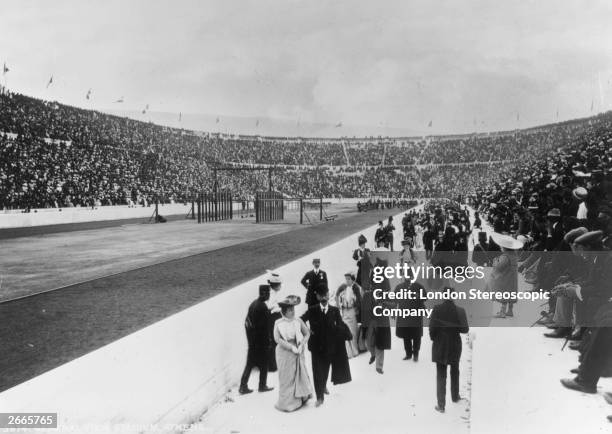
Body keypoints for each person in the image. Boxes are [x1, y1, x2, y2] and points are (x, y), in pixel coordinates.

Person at [301, 283, 344, 407]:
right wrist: (307, 331)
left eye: (325, 295)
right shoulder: (312, 310)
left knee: (325, 369)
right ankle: (320, 397)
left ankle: (323, 384)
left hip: (330, 345)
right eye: (321, 296)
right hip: (315, 346)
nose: (324, 298)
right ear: (318, 297)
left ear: (328, 294)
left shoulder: (335, 311)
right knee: (317, 371)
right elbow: (300, 320)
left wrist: (339, 332)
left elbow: (340, 325)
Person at [429, 287, 469, 413]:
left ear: (443, 296)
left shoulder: (436, 309)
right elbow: (465, 330)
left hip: (440, 344)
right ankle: (455, 396)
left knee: (441, 375)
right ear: (453, 296)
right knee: (455, 370)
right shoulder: (460, 311)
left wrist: (435, 339)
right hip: (455, 345)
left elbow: (432, 329)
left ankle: (441, 405)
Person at [273, 295, 313, 412]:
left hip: (297, 351)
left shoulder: (298, 321)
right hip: (284, 353)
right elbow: (277, 339)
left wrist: (301, 344)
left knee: (300, 374)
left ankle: (301, 398)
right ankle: (287, 404)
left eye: (293, 309)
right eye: (290, 310)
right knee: (287, 378)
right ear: (284, 311)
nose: (292, 312)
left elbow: (307, 333)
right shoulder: (278, 323)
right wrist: (290, 347)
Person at [239, 284, 274, 394]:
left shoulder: (253, 304)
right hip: (260, 343)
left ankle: (243, 386)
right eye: (268, 293)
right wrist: (268, 341)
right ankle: (262, 385)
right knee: (264, 363)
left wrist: (251, 341)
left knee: (249, 364)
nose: (269, 295)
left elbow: (247, 323)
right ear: (264, 293)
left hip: (253, 342)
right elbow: (265, 327)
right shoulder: (262, 307)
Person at [487, 235, 523, 318]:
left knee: (504, 295)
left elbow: (499, 267)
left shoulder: (505, 256)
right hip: (513, 279)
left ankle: (502, 312)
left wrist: (495, 261)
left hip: (506, 279)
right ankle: (510, 310)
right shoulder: (514, 255)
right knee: (510, 295)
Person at [394, 271, 426, 361]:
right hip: (405, 316)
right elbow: (394, 300)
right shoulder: (399, 287)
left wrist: (418, 296)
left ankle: (415, 354)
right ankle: (408, 354)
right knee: (406, 336)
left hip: (415, 316)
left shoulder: (418, 286)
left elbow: (425, 297)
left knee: (416, 336)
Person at [334, 272, 362, 358]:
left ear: (352, 279)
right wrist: (338, 304)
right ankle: (349, 352)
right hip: (345, 311)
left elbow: (358, 300)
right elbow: (337, 297)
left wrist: (357, 308)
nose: (347, 281)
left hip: (352, 311)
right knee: (346, 330)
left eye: (349, 279)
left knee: (353, 330)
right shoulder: (344, 288)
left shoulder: (356, 287)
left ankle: (355, 350)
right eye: (346, 279)